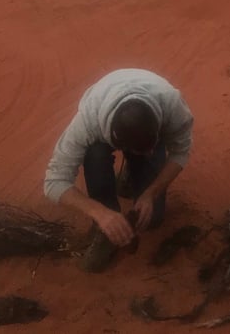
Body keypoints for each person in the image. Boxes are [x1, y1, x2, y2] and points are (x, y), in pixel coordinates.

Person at [44, 68, 193, 272]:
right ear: (116, 140)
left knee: (153, 218)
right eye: (143, 151)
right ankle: (106, 224)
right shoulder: (88, 122)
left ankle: (132, 172)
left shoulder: (172, 105)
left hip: (148, 118)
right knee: (94, 153)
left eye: (152, 147)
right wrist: (100, 213)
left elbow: (180, 153)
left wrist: (151, 193)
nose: (150, 153)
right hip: (102, 122)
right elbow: (53, 182)